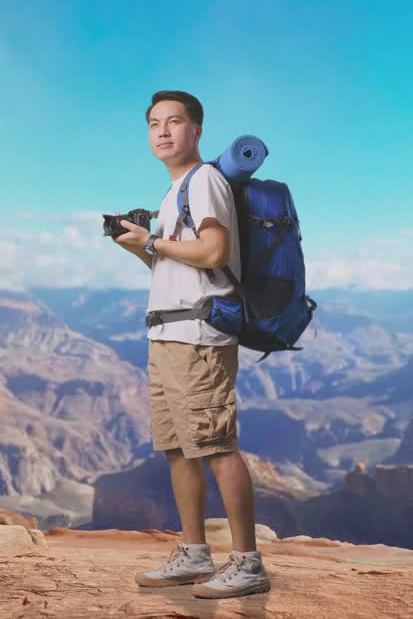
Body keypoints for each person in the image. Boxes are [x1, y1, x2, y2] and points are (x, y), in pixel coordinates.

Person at [113, 90, 271, 599]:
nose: (162, 131)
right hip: (167, 332)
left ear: (196, 131)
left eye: (174, 122)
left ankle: (247, 563)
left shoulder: (204, 180)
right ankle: (194, 553)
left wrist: (154, 242)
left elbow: (213, 250)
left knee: (218, 448)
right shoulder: (173, 190)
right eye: (154, 123)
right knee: (179, 450)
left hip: (198, 337)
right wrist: (143, 246)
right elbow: (174, 263)